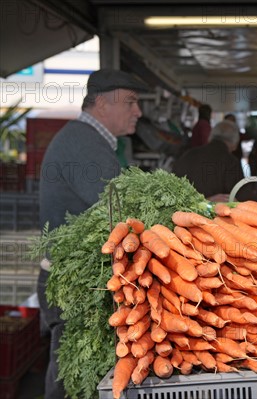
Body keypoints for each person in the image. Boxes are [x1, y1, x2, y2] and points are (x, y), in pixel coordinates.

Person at [38, 68, 146, 399]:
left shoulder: (90, 141)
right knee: (70, 382)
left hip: (78, 282)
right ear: (101, 103)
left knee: (80, 380)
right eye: (130, 102)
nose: (138, 112)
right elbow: (122, 211)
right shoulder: (84, 144)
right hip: (72, 286)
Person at [172, 120, 257, 202]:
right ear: (235, 144)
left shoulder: (188, 154)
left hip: (182, 212)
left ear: (210, 137)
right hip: (212, 215)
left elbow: (172, 187)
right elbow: (243, 196)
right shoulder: (230, 161)